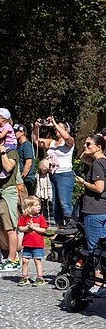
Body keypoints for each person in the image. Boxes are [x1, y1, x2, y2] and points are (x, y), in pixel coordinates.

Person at [75, 134, 106, 295]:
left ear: (99, 147)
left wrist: (83, 183)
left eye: (88, 144)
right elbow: (82, 157)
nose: (85, 147)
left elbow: (99, 188)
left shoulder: (98, 165)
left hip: (94, 211)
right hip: (102, 210)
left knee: (95, 248)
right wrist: (93, 140)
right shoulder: (101, 162)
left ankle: (98, 282)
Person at [32, 116, 75, 227]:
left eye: (60, 128)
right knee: (56, 204)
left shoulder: (69, 142)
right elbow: (36, 141)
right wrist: (36, 128)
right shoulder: (52, 142)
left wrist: (55, 124)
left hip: (64, 175)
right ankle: (60, 227)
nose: (56, 129)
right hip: (53, 175)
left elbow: (68, 138)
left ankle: (71, 226)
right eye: (56, 128)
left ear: (66, 130)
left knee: (64, 203)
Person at [0, 135, 21, 271]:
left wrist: (3, 152)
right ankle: (9, 256)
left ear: (2, 142)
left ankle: (13, 259)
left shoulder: (11, 153)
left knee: (10, 229)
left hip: (7, 194)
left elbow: (8, 168)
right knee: (1, 229)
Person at [17, 196, 48, 286]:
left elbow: (44, 230)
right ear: (29, 208)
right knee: (25, 260)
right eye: (36, 205)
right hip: (27, 244)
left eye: (39, 205)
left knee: (37, 261)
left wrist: (34, 227)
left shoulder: (40, 218)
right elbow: (20, 228)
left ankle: (40, 277)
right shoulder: (24, 218)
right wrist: (27, 227)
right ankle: (24, 276)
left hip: (37, 244)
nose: (39, 207)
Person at [14, 123, 36, 196]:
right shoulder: (19, 146)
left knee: (27, 202)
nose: (14, 133)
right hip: (21, 179)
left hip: (27, 179)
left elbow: (28, 163)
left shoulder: (26, 145)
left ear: (23, 133)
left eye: (16, 131)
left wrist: (22, 177)